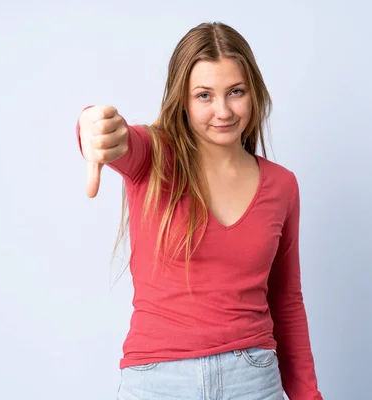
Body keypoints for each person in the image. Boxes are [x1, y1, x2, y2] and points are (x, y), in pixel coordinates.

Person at [75, 21, 323, 400]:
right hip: (157, 382)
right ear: (183, 100)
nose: (222, 111)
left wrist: (309, 396)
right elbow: (118, 136)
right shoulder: (153, 156)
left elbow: (286, 302)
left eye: (235, 92)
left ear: (253, 93)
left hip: (253, 379)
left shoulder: (282, 185)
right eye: (204, 95)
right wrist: (94, 126)